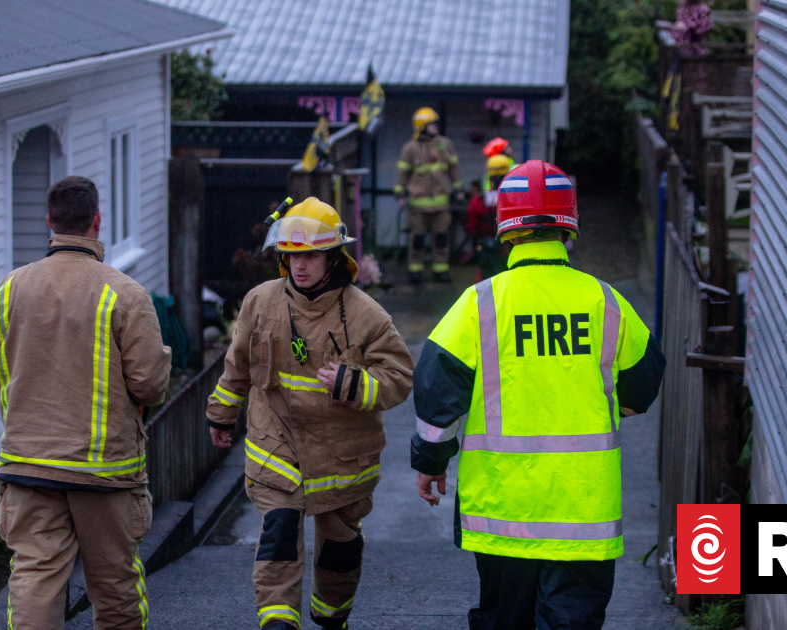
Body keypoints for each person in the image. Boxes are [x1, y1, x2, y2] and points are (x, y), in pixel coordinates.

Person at [410, 160, 666, 630]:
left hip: (503, 515)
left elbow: (436, 392)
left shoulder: (479, 304)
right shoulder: (605, 301)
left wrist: (431, 461)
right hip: (583, 512)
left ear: (505, 230)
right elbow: (643, 385)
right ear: (569, 228)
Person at [207, 198, 414, 630]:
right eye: (292, 256)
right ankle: (278, 622)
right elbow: (238, 365)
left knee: (339, 549)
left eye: (311, 255)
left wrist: (355, 385)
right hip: (276, 445)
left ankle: (330, 615)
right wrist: (221, 415)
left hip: (342, 456)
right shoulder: (260, 303)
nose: (299, 266)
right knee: (279, 535)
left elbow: (399, 376)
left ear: (334, 257)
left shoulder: (365, 315)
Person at [0, 176, 172, 630]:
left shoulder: (10, 290)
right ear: (96, 221)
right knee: (116, 591)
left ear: (50, 223)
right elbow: (150, 385)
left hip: (26, 466)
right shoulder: (125, 294)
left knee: (33, 584)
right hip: (104, 472)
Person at [395, 106, 463, 285]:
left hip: (441, 204)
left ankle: (440, 270)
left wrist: (458, 188)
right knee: (417, 239)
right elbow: (403, 173)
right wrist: (399, 192)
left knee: (441, 238)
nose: (435, 127)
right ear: (421, 126)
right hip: (418, 205)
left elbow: (453, 168)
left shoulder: (445, 144)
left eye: (435, 124)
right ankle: (415, 271)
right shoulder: (410, 148)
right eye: (431, 124)